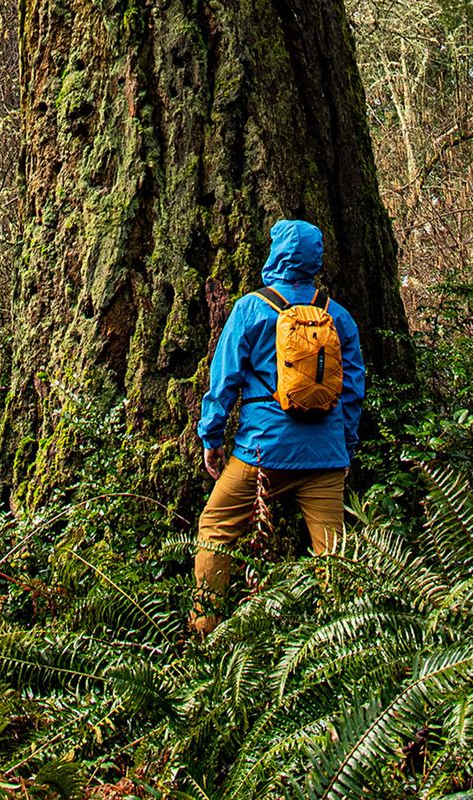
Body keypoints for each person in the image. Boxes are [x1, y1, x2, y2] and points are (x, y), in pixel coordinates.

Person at [192, 219, 365, 637]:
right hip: (325, 458)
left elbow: (224, 379)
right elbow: (353, 387)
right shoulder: (337, 315)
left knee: (215, 530)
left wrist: (211, 437)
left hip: (261, 452)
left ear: (276, 255)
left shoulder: (251, 308)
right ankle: (343, 646)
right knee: (334, 555)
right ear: (315, 260)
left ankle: (204, 633)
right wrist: (344, 443)